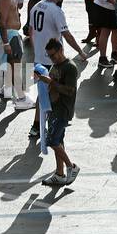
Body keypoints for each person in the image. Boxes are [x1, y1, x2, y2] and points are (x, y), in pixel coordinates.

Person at [34, 38, 80, 187]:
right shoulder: (56, 65)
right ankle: (60, 174)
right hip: (53, 109)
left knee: (52, 141)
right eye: (49, 56)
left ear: (61, 50)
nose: (52, 58)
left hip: (63, 110)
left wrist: (50, 83)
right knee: (58, 141)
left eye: (53, 55)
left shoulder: (70, 68)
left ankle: (71, 167)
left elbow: (70, 91)